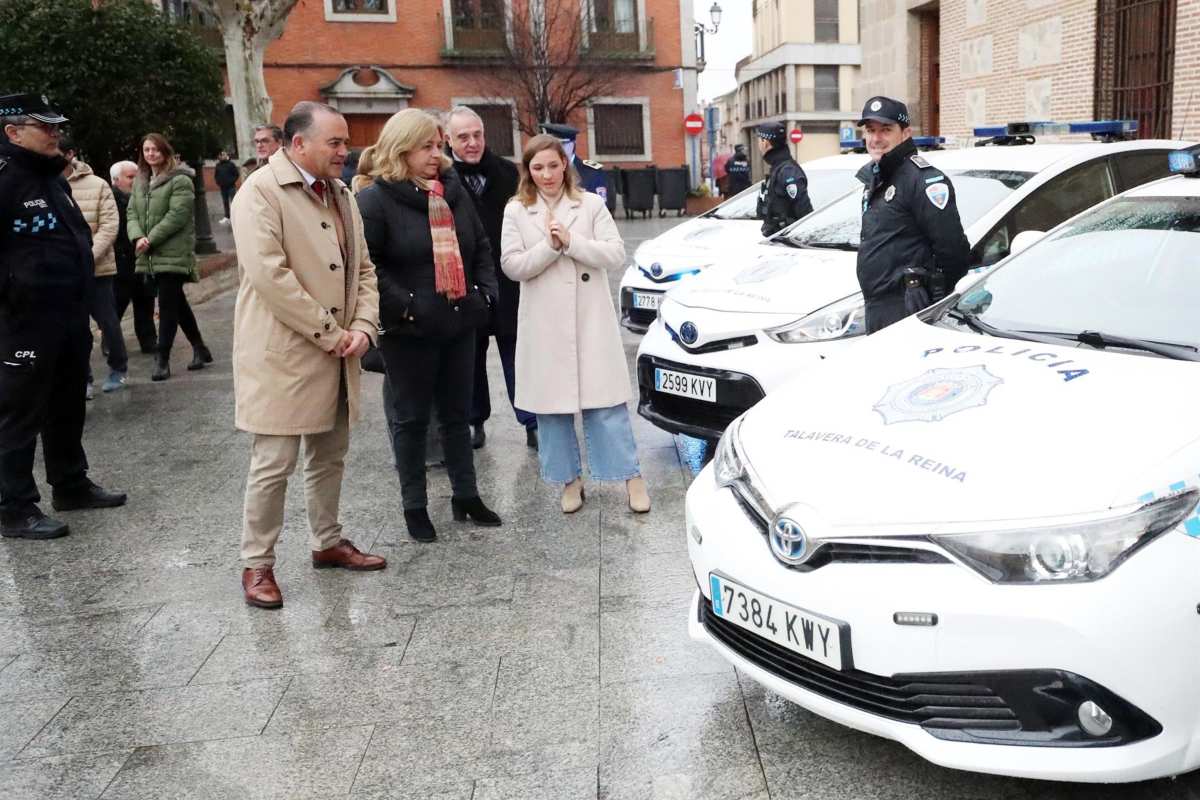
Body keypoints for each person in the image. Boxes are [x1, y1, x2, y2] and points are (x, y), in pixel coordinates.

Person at [231, 100, 385, 609]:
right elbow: (270, 277)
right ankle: (258, 563)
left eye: (345, 142)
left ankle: (327, 542)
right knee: (273, 463)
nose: (346, 150)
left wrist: (362, 326)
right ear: (298, 144)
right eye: (335, 142)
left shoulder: (342, 194)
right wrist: (331, 332)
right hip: (282, 355)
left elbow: (363, 269)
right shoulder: (259, 192)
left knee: (330, 455)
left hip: (339, 351)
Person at [357, 108, 502, 543]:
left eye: (438, 145)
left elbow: (479, 247)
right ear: (401, 150)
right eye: (426, 146)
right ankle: (415, 507)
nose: (436, 154)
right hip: (409, 331)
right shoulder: (375, 200)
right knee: (412, 420)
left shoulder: (452, 192)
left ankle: (466, 495)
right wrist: (411, 306)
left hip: (460, 322)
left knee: (458, 415)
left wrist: (484, 297)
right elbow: (370, 266)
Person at [500, 134, 650, 515]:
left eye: (553, 165)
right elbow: (512, 265)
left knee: (606, 404)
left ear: (564, 164)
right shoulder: (517, 210)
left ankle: (631, 476)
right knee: (552, 408)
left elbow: (615, 254)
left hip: (589, 317)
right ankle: (569, 480)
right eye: (538, 167)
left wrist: (571, 243)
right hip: (545, 323)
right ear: (527, 171)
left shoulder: (591, 204)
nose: (547, 174)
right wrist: (549, 248)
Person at [0, 93, 127, 540]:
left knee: (67, 404)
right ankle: (15, 507)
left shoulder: (50, 177)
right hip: (23, 320)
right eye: (45, 126)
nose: (56, 133)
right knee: (18, 413)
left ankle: (70, 484)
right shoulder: (6, 178)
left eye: (56, 125)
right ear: (12, 132)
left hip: (68, 312)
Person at [445, 106, 536, 451]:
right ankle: (474, 421)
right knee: (469, 358)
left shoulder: (506, 172)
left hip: (507, 281)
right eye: (463, 137)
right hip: (464, 284)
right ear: (448, 139)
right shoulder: (440, 176)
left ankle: (531, 422)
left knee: (517, 355)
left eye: (477, 134)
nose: (472, 143)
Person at [855, 96, 970, 334]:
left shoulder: (923, 181)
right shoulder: (877, 176)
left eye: (886, 130)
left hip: (907, 308)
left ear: (905, 134)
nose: (876, 139)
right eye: (870, 130)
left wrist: (927, 293)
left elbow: (953, 252)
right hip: (879, 306)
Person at [127, 132, 213, 381]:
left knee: (166, 306)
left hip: (172, 251)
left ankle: (161, 358)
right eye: (146, 150)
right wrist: (137, 237)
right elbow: (131, 212)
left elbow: (177, 215)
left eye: (155, 149)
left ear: (165, 152)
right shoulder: (140, 180)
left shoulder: (180, 180)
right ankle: (199, 348)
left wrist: (150, 238)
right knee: (176, 303)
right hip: (148, 251)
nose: (150, 154)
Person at [61, 138, 127, 396]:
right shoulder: (44, 184)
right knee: (73, 327)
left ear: (70, 154)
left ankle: (118, 368)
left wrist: (86, 257)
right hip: (63, 271)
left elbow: (110, 226)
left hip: (97, 269)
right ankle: (83, 378)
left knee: (108, 322)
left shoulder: (98, 185)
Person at [109, 160, 158, 353]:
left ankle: (148, 339)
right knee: (118, 303)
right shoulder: (111, 200)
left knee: (145, 300)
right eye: (130, 177)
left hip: (142, 256)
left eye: (137, 176)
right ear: (115, 180)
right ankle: (110, 339)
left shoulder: (144, 197)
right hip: (121, 259)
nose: (135, 181)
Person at [755, 123, 811, 236]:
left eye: (759, 140)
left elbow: (805, 213)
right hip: (778, 238)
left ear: (765, 143)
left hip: (788, 242)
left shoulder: (787, 171)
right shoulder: (778, 168)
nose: (758, 145)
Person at [538, 123, 607, 201]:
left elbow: (600, 207)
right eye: (550, 146)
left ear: (573, 144)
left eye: (562, 144)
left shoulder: (591, 172)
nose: (556, 149)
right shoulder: (540, 171)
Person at [214, 150, 239, 224]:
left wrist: (231, 181)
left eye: (223, 155)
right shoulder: (218, 165)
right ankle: (227, 217)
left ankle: (235, 217)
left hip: (231, 187)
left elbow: (236, 174)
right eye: (220, 155)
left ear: (226, 155)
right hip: (222, 187)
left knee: (233, 202)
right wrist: (218, 182)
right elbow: (216, 175)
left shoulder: (231, 164)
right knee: (225, 202)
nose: (221, 156)